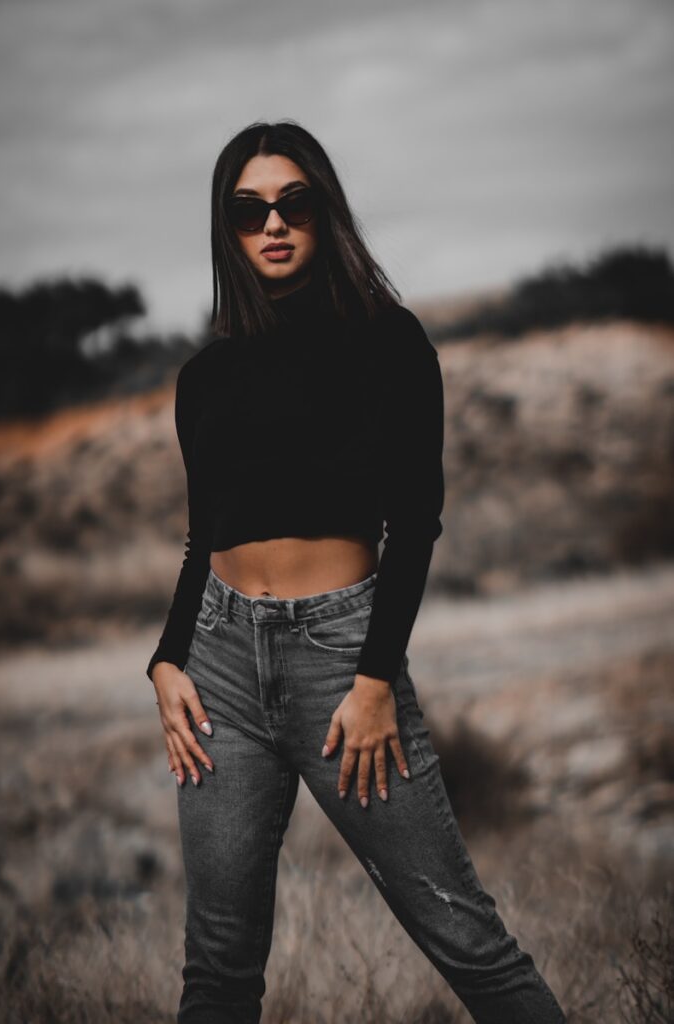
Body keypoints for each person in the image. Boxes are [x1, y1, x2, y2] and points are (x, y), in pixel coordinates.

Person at [147, 120, 567, 1024]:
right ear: (227, 227)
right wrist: (165, 659)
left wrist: (374, 679)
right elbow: (200, 541)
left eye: (293, 202)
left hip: (341, 662)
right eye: (249, 208)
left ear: (322, 210)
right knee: (217, 972)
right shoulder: (204, 377)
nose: (273, 223)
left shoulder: (389, 343)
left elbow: (414, 526)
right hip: (216, 665)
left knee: (466, 940)